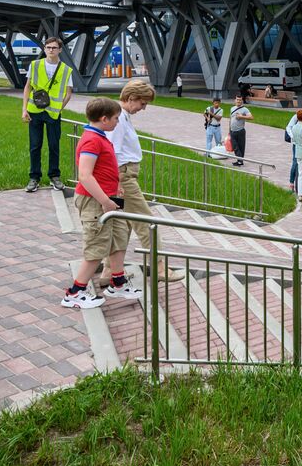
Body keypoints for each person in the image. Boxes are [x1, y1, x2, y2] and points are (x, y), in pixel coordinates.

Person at [62, 97, 141, 309]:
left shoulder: (101, 136)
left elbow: (103, 169)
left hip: (108, 199)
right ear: (104, 119)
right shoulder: (92, 140)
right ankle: (75, 293)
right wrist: (105, 201)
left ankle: (118, 282)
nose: (118, 122)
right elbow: (85, 175)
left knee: (118, 238)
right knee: (96, 246)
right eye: (115, 118)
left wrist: (115, 189)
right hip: (96, 202)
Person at [110, 80, 186, 283]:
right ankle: (160, 267)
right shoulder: (119, 118)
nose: (143, 108)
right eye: (143, 104)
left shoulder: (122, 116)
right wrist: (117, 182)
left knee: (122, 225)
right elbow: (114, 152)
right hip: (123, 177)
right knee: (147, 222)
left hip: (123, 176)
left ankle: (109, 271)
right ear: (132, 98)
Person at [22, 37, 74, 193]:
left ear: (60, 50)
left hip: (53, 113)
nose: (51, 50)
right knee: (35, 145)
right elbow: (27, 88)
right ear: (44, 49)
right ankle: (34, 178)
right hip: (35, 111)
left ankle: (54, 176)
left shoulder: (66, 69)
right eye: (48, 47)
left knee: (54, 145)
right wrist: (24, 109)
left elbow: (68, 93)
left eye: (54, 47)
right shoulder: (35, 65)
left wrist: (59, 108)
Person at [229, 93, 253, 165]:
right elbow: (230, 119)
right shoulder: (232, 108)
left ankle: (240, 161)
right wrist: (229, 130)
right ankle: (240, 160)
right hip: (232, 131)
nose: (238, 101)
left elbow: (251, 117)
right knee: (235, 146)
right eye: (237, 100)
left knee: (241, 147)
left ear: (242, 101)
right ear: (235, 100)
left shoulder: (245, 109)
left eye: (240, 100)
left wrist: (241, 116)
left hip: (240, 131)